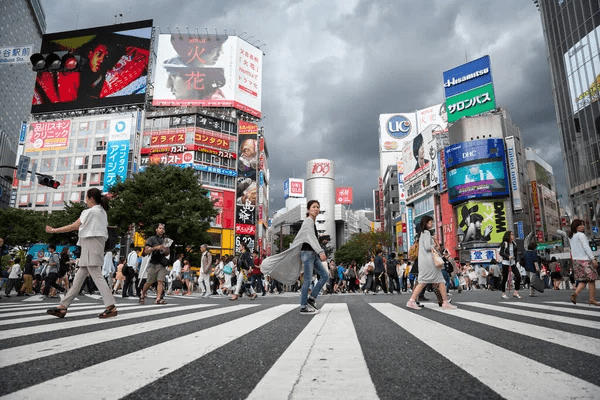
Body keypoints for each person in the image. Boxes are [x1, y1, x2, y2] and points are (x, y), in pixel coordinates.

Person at [45, 188, 117, 319]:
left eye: (86, 198)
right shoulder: (102, 212)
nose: (85, 201)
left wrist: (53, 230)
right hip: (94, 243)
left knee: (96, 274)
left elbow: (74, 226)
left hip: (90, 242)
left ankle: (111, 306)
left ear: (91, 198)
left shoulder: (89, 212)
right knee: (79, 277)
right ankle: (63, 306)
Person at [260, 200, 328, 314]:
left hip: (312, 254)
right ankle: (303, 306)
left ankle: (311, 299)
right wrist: (321, 251)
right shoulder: (308, 221)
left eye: (317, 207)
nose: (316, 209)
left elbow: (311, 238)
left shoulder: (311, 222)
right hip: (307, 254)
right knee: (307, 280)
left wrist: (319, 248)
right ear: (308, 209)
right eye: (313, 207)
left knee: (325, 276)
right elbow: (311, 238)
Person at [406, 216, 455, 310]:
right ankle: (411, 301)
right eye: (430, 222)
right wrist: (435, 245)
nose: (431, 223)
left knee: (436, 280)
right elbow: (428, 247)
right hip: (429, 262)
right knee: (429, 281)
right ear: (426, 223)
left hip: (425, 262)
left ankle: (444, 302)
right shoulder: (427, 233)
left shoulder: (422, 233)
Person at [569, 219, 599, 305]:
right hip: (585, 261)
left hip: (576, 261)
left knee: (583, 280)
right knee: (591, 280)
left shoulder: (572, 237)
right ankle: (592, 299)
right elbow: (586, 247)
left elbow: (572, 250)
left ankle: (575, 293)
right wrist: (593, 258)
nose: (583, 226)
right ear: (576, 227)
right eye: (581, 225)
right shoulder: (581, 235)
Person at [139, 223, 171, 305]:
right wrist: (155, 248)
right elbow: (146, 251)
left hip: (162, 263)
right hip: (153, 262)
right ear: (156, 229)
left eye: (163, 229)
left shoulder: (166, 240)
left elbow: (167, 253)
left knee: (160, 281)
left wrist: (165, 250)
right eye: (160, 228)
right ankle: (142, 294)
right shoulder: (151, 239)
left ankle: (158, 298)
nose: (161, 230)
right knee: (149, 281)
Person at [499, 231, 521, 300]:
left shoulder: (514, 244)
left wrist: (517, 261)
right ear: (508, 236)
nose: (513, 236)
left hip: (513, 263)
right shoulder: (505, 244)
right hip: (506, 262)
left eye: (513, 234)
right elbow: (501, 253)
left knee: (518, 276)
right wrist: (508, 256)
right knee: (505, 278)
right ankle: (503, 294)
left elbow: (515, 254)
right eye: (511, 234)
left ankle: (516, 292)